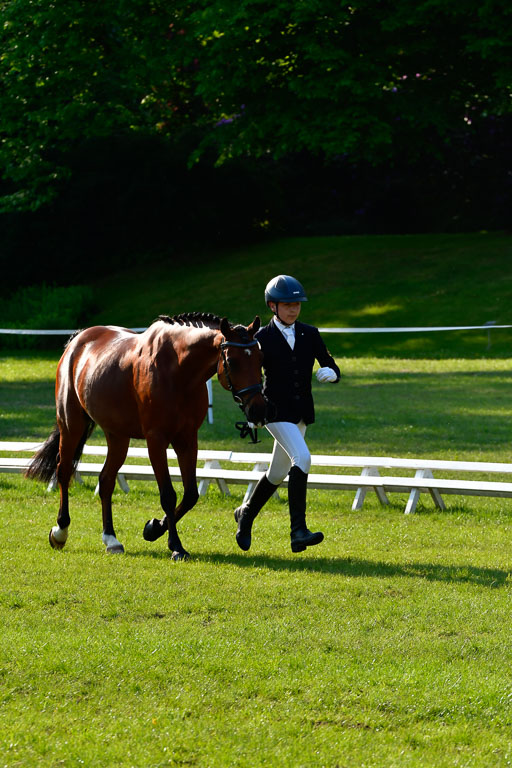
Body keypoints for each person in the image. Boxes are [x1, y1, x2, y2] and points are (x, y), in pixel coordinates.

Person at [234, 274, 341, 553]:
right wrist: (250, 411)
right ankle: (298, 531)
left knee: (278, 472)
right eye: (287, 304)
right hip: (274, 410)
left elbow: (330, 363)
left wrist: (332, 372)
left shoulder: (310, 333)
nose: (293, 309)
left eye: (297, 304)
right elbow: (247, 378)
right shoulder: (260, 338)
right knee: (302, 457)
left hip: (302, 411)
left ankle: (245, 513)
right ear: (272, 306)